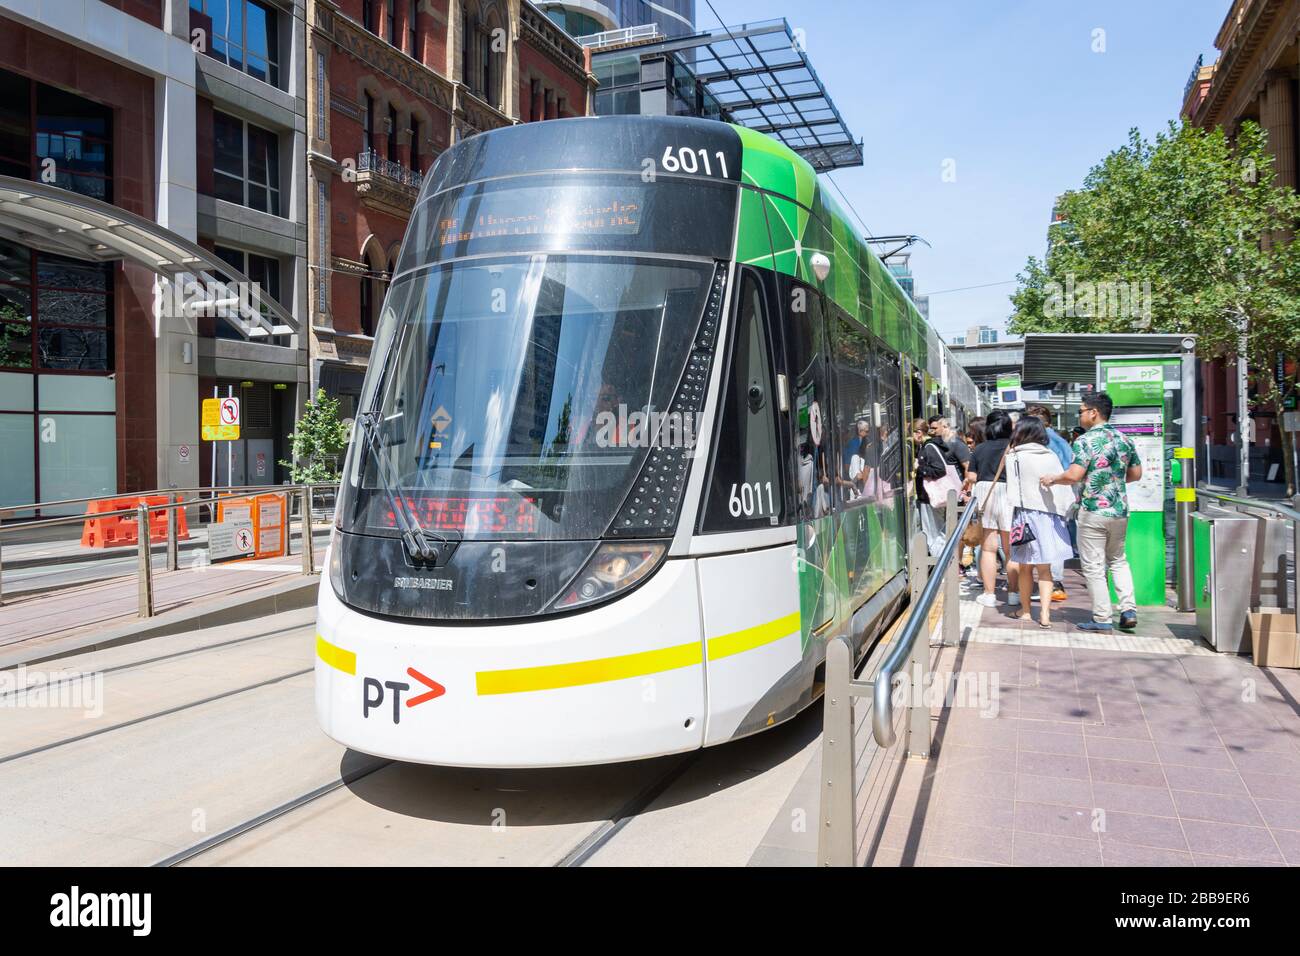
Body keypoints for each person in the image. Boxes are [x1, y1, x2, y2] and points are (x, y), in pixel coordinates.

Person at [1041, 391, 1142, 632]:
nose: (1080, 415)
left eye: (1081, 411)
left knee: (1094, 565)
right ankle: (1128, 609)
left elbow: (1074, 475)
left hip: (1093, 509)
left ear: (1093, 413)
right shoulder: (1124, 439)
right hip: (1119, 510)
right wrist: (1112, 483)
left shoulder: (1085, 441)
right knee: (1118, 560)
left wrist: (1053, 479)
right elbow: (1136, 474)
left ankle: (1102, 617)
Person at [1006, 417, 1076, 627]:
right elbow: (1062, 487)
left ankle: (1026, 611)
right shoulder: (1050, 455)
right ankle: (1045, 615)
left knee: (1025, 567)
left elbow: (1012, 487)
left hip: (1024, 517)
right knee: (1045, 569)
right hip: (1048, 517)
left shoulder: (1014, 457)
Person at [969, 409, 1019, 607]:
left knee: (989, 548)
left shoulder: (980, 449)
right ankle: (1014, 594)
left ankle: (989, 595)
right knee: (1010, 550)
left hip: (985, 493)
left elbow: (972, 476)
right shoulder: (1014, 448)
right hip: (1009, 494)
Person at [1026, 404, 1075, 602]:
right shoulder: (1062, 441)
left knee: (1047, 538)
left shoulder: (1042, 441)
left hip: (1048, 493)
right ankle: (1055, 581)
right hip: (1064, 492)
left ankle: (1052, 582)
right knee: (1057, 536)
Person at [911, 418, 956, 556]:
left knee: (932, 535)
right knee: (938, 533)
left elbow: (939, 469)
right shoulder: (934, 445)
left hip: (930, 497)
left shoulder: (929, 447)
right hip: (935, 496)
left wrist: (919, 469)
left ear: (919, 433)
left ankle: (940, 570)